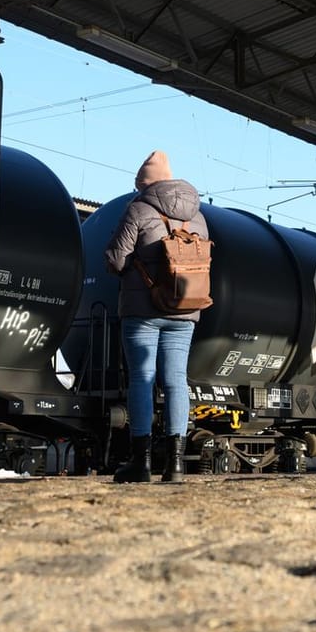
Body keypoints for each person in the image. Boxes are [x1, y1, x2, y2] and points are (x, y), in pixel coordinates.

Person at [103, 150, 207, 483]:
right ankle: (175, 465)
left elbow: (117, 259)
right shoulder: (198, 217)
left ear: (145, 185)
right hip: (186, 309)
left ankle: (141, 462)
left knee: (142, 379)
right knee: (177, 380)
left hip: (142, 311)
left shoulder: (138, 209)